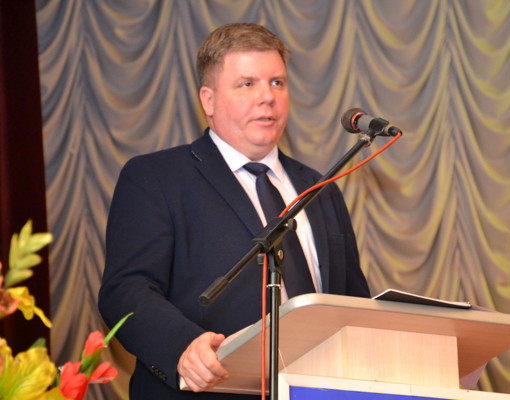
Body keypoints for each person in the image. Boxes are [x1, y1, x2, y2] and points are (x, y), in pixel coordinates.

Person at [98, 23, 370, 399]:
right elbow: (125, 290)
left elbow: (352, 301)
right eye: (247, 84)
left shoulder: (320, 189)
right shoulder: (156, 177)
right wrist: (182, 347)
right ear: (208, 100)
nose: (267, 97)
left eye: (277, 83)